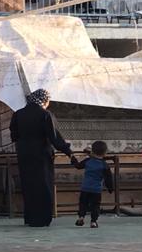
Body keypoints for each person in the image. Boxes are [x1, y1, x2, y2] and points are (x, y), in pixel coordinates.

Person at [10, 89, 73, 227]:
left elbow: (14, 135)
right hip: (41, 155)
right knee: (43, 185)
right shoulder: (45, 114)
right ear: (44, 100)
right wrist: (69, 152)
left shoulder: (18, 114)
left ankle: (30, 218)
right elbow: (54, 137)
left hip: (24, 155)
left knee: (29, 185)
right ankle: (42, 218)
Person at [72, 141, 114, 228]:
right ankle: (93, 222)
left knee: (83, 203)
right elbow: (108, 178)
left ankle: (81, 217)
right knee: (95, 205)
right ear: (105, 152)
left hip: (85, 188)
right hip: (96, 190)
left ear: (92, 151)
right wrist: (110, 188)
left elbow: (78, 166)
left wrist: (73, 159)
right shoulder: (104, 165)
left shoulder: (88, 161)